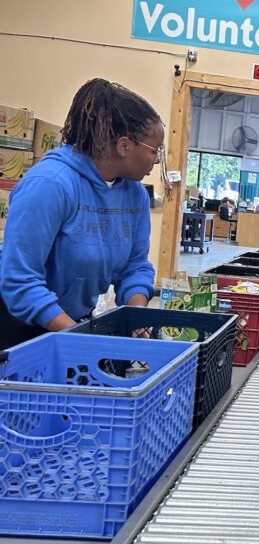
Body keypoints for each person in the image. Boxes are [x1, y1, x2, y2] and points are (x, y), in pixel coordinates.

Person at [0, 78, 161, 350]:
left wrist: (136, 317)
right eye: (154, 151)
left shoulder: (134, 194)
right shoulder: (50, 184)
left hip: (71, 323)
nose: (156, 160)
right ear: (124, 146)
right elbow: (20, 281)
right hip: (18, 329)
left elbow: (134, 267)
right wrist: (81, 339)